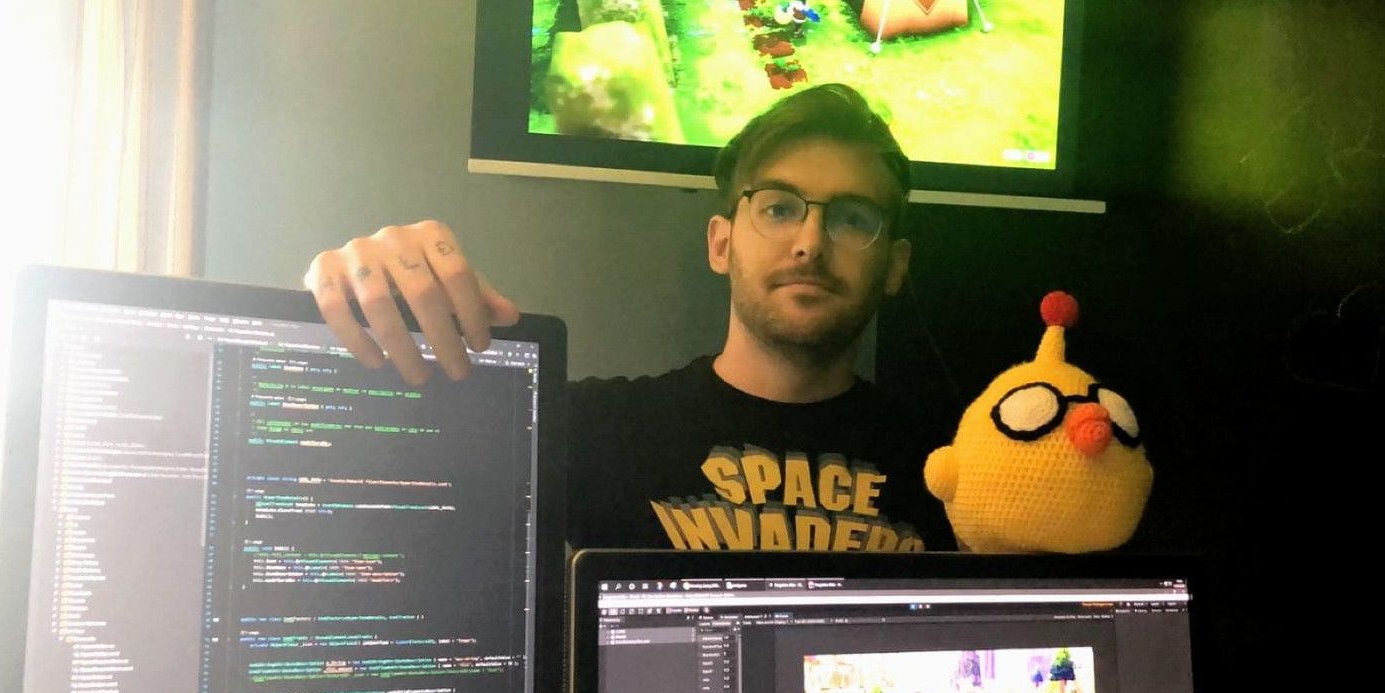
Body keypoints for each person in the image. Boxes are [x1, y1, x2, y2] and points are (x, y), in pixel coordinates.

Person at [305, 84, 953, 551]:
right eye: (779, 208)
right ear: (721, 243)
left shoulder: (960, 464)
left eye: (852, 219)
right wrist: (346, 313)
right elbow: (340, 482)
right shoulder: (589, 430)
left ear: (895, 265)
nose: (810, 243)